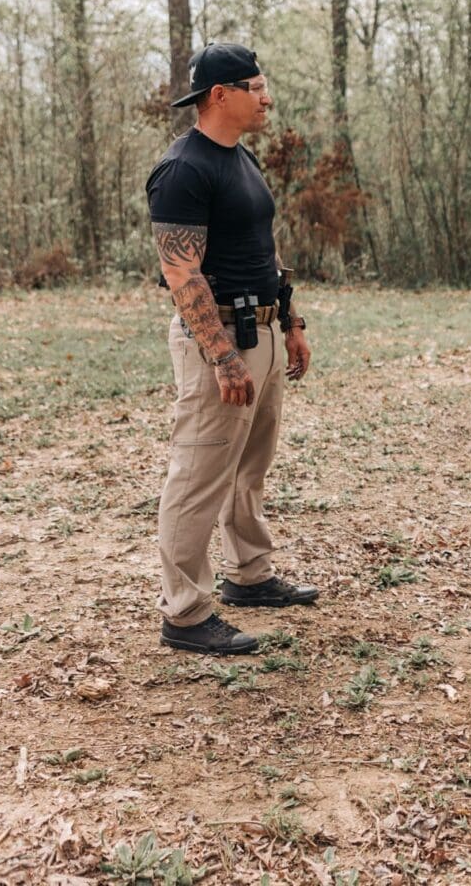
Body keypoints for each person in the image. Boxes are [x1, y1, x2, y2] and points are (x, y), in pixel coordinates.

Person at [146, 42, 318, 655]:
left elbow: (263, 247)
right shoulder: (183, 169)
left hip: (263, 330)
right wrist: (221, 356)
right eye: (257, 86)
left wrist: (290, 320)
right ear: (221, 94)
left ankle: (250, 575)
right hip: (216, 336)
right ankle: (186, 613)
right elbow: (182, 274)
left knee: (250, 464)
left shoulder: (241, 160)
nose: (267, 97)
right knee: (199, 472)